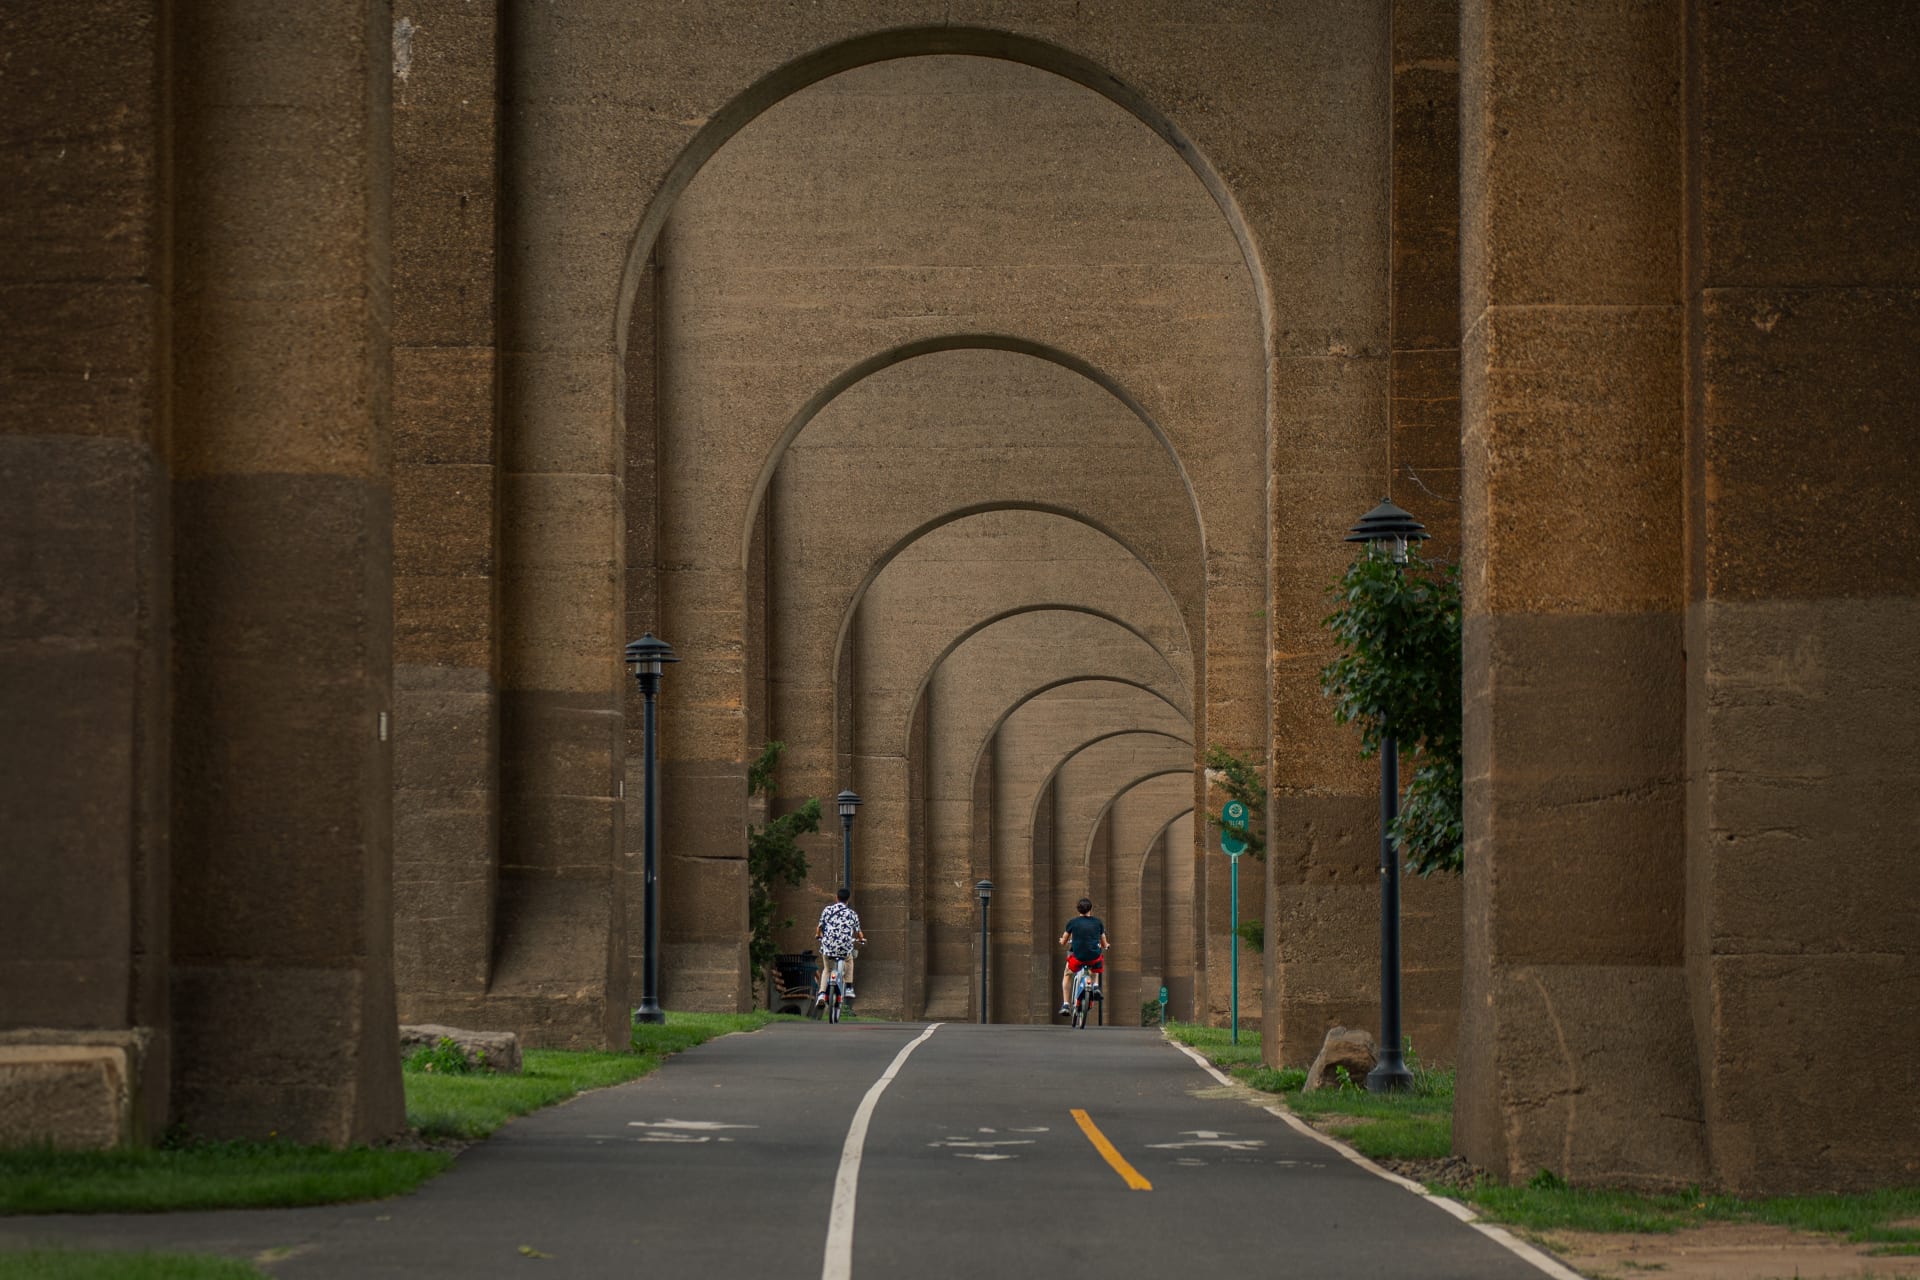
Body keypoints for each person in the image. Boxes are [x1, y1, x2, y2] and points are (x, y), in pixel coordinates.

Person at [1058, 897, 1110, 1017]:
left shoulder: (1073, 922)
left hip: (1078, 957)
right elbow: (1103, 941)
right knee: (1096, 963)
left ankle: (1066, 1004)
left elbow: (1064, 940)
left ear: (1078, 910)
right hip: (1093, 957)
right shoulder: (1098, 922)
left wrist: (1062, 941)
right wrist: (1106, 945)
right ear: (1090, 909)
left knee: (1067, 975)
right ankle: (1095, 986)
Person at [815, 886, 865, 1006]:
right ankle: (848, 987)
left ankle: (822, 993)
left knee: (827, 969)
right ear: (848, 899)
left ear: (836, 898)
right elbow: (858, 932)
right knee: (849, 959)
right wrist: (861, 939)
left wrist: (818, 936)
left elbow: (819, 928)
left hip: (828, 947)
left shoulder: (827, 910)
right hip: (844, 947)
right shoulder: (852, 914)